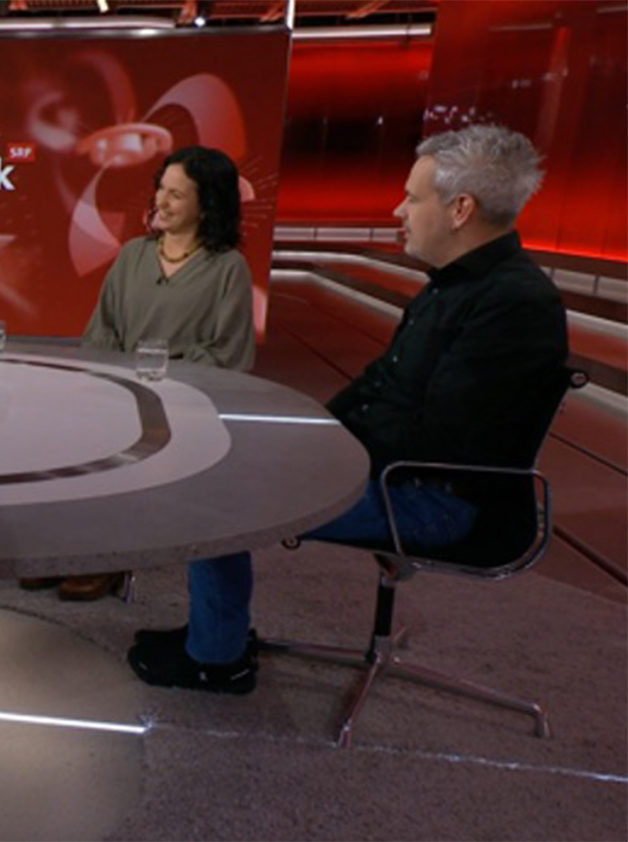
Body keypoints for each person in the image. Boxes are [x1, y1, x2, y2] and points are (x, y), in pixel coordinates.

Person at [128, 125, 569, 694]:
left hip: (437, 499)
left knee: (219, 495)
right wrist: (307, 437)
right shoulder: (454, 286)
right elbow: (381, 384)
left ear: (460, 209)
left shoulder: (514, 304)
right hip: (398, 471)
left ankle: (217, 658)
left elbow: (443, 437)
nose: (398, 211)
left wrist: (321, 460)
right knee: (227, 459)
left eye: (411, 198)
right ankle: (214, 634)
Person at [25, 145, 255, 602]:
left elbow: (229, 354)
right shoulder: (133, 254)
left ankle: (109, 556)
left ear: (207, 204)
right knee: (59, 432)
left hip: (183, 402)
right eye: (160, 190)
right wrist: (114, 380)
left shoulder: (228, 269)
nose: (161, 202)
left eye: (176, 194)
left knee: (129, 448)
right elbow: (102, 330)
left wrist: (160, 372)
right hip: (117, 391)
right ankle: (69, 546)